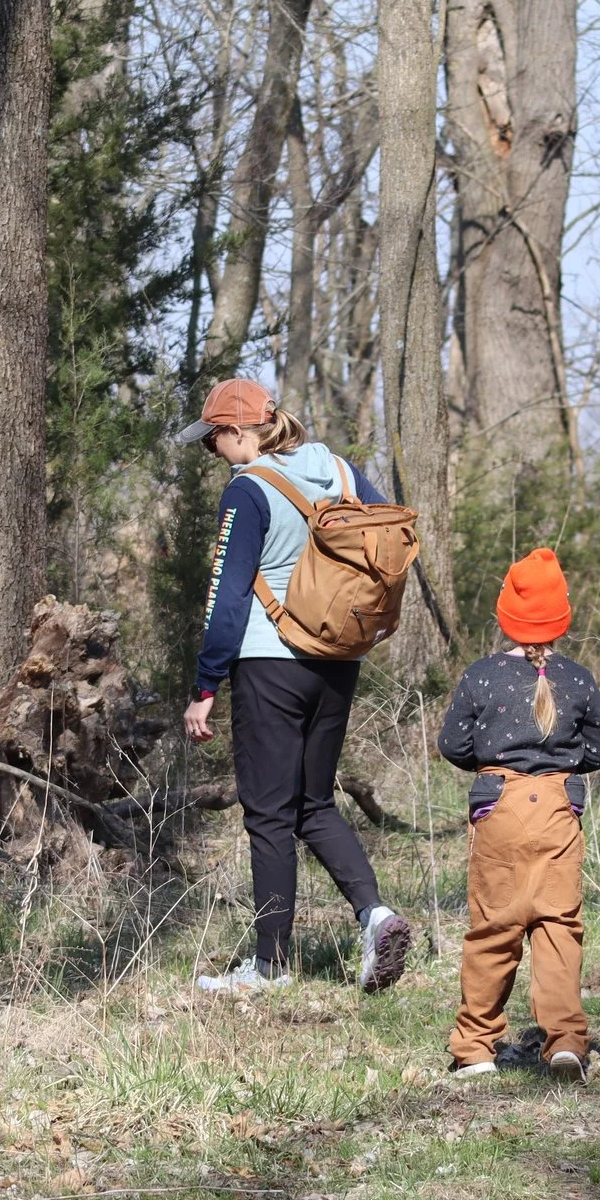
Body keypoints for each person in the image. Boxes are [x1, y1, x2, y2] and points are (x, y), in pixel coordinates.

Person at [179, 378, 414, 995]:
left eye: (214, 440)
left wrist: (206, 685)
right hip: (338, 658)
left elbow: (227, 596)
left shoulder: (247, 490)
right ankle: (377, 916)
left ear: (238, 431)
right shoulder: (341, 471)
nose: (214, 453)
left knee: (268, 814)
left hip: (267, 661)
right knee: (314, 804)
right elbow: (386, 541)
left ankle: (268, 967)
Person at [436, 550, 600, 1081]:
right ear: (562, 618)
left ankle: (475, 1047)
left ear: (504, 616)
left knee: (494, 926)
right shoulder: (578, 680)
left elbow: (452, 743)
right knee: (559, 924)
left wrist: (490, 765)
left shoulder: (481, 676)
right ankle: (564, 1042)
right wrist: (561, 763)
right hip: (560, 806)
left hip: (498, 807)